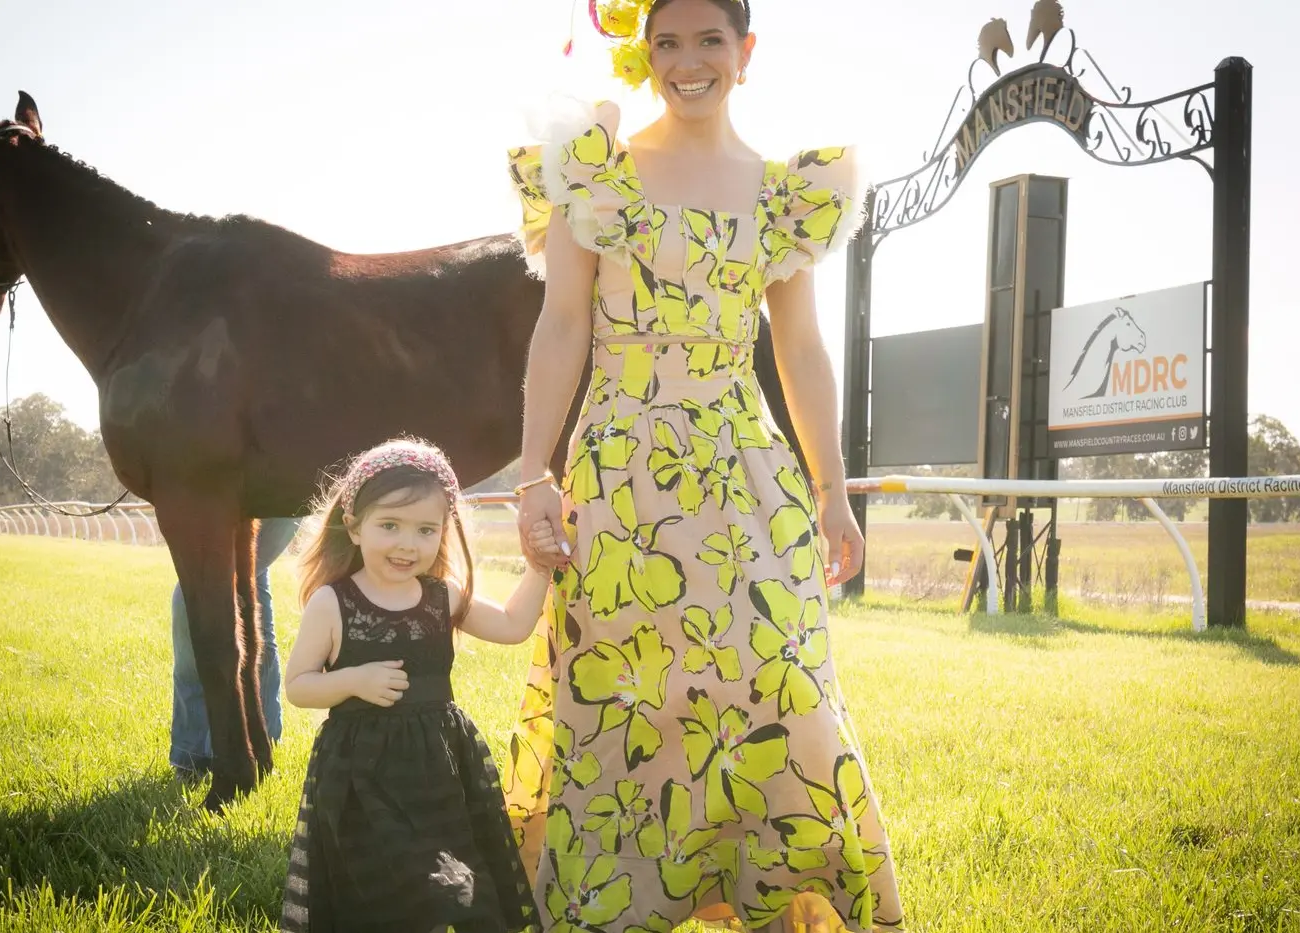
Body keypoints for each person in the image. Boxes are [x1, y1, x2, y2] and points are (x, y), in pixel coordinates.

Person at [503, 0, 905, 930]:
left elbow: (801, 350)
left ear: (745, 52)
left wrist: (833, 488)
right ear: (647, 56)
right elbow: (562, 324)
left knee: (779, 687)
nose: (690, 62)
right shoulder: (590, 170)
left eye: (710, 41)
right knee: (631, 701)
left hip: (746, 476)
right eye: (668, 42)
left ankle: (773, 905)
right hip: (620, 473)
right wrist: (533, 474)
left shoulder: (783, 191)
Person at [277, 437, 558, 933]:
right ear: (354, 526)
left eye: (425, 530)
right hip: (361, 774)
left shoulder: (441, 596)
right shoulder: (332, 603)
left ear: (443, 533)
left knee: (450, 884)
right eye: (390, 525)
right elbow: (298, 686)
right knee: (383, 886)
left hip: (440, 767)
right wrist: (352, 680)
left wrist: (540, 568)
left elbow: (514, 626)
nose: (408, 544)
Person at [170, 516, 300, 780]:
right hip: (220, 493)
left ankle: (205, 752)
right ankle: (202, 752)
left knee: (206, 584)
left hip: (280, 494)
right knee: (249, 585)